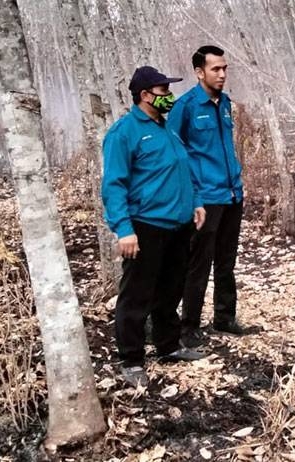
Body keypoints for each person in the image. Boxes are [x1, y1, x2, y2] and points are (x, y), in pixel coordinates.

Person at [101, 66, 208, 388]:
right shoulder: (124, 133)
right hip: (145, 226)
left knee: (170, 289)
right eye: (163, 91)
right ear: (145, 95)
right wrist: (123, 229)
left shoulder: (167, 129)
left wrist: (197, 201)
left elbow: (183, 170)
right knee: (136, 295)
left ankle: (168, 345)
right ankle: (131, 360)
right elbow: (114, 185)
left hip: (178, 225)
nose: (169, 96)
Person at [168, 45, 260, 348]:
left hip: (232, 193)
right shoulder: (185, 107)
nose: (222, 74)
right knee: (199, 262)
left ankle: (224, 317)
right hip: (205, 198)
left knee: (226, 260)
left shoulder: (224, 103)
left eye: (224, 68)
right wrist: (190, 195)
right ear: (199, 72)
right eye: (215, 69)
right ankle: (188, 327)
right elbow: (174, 153)